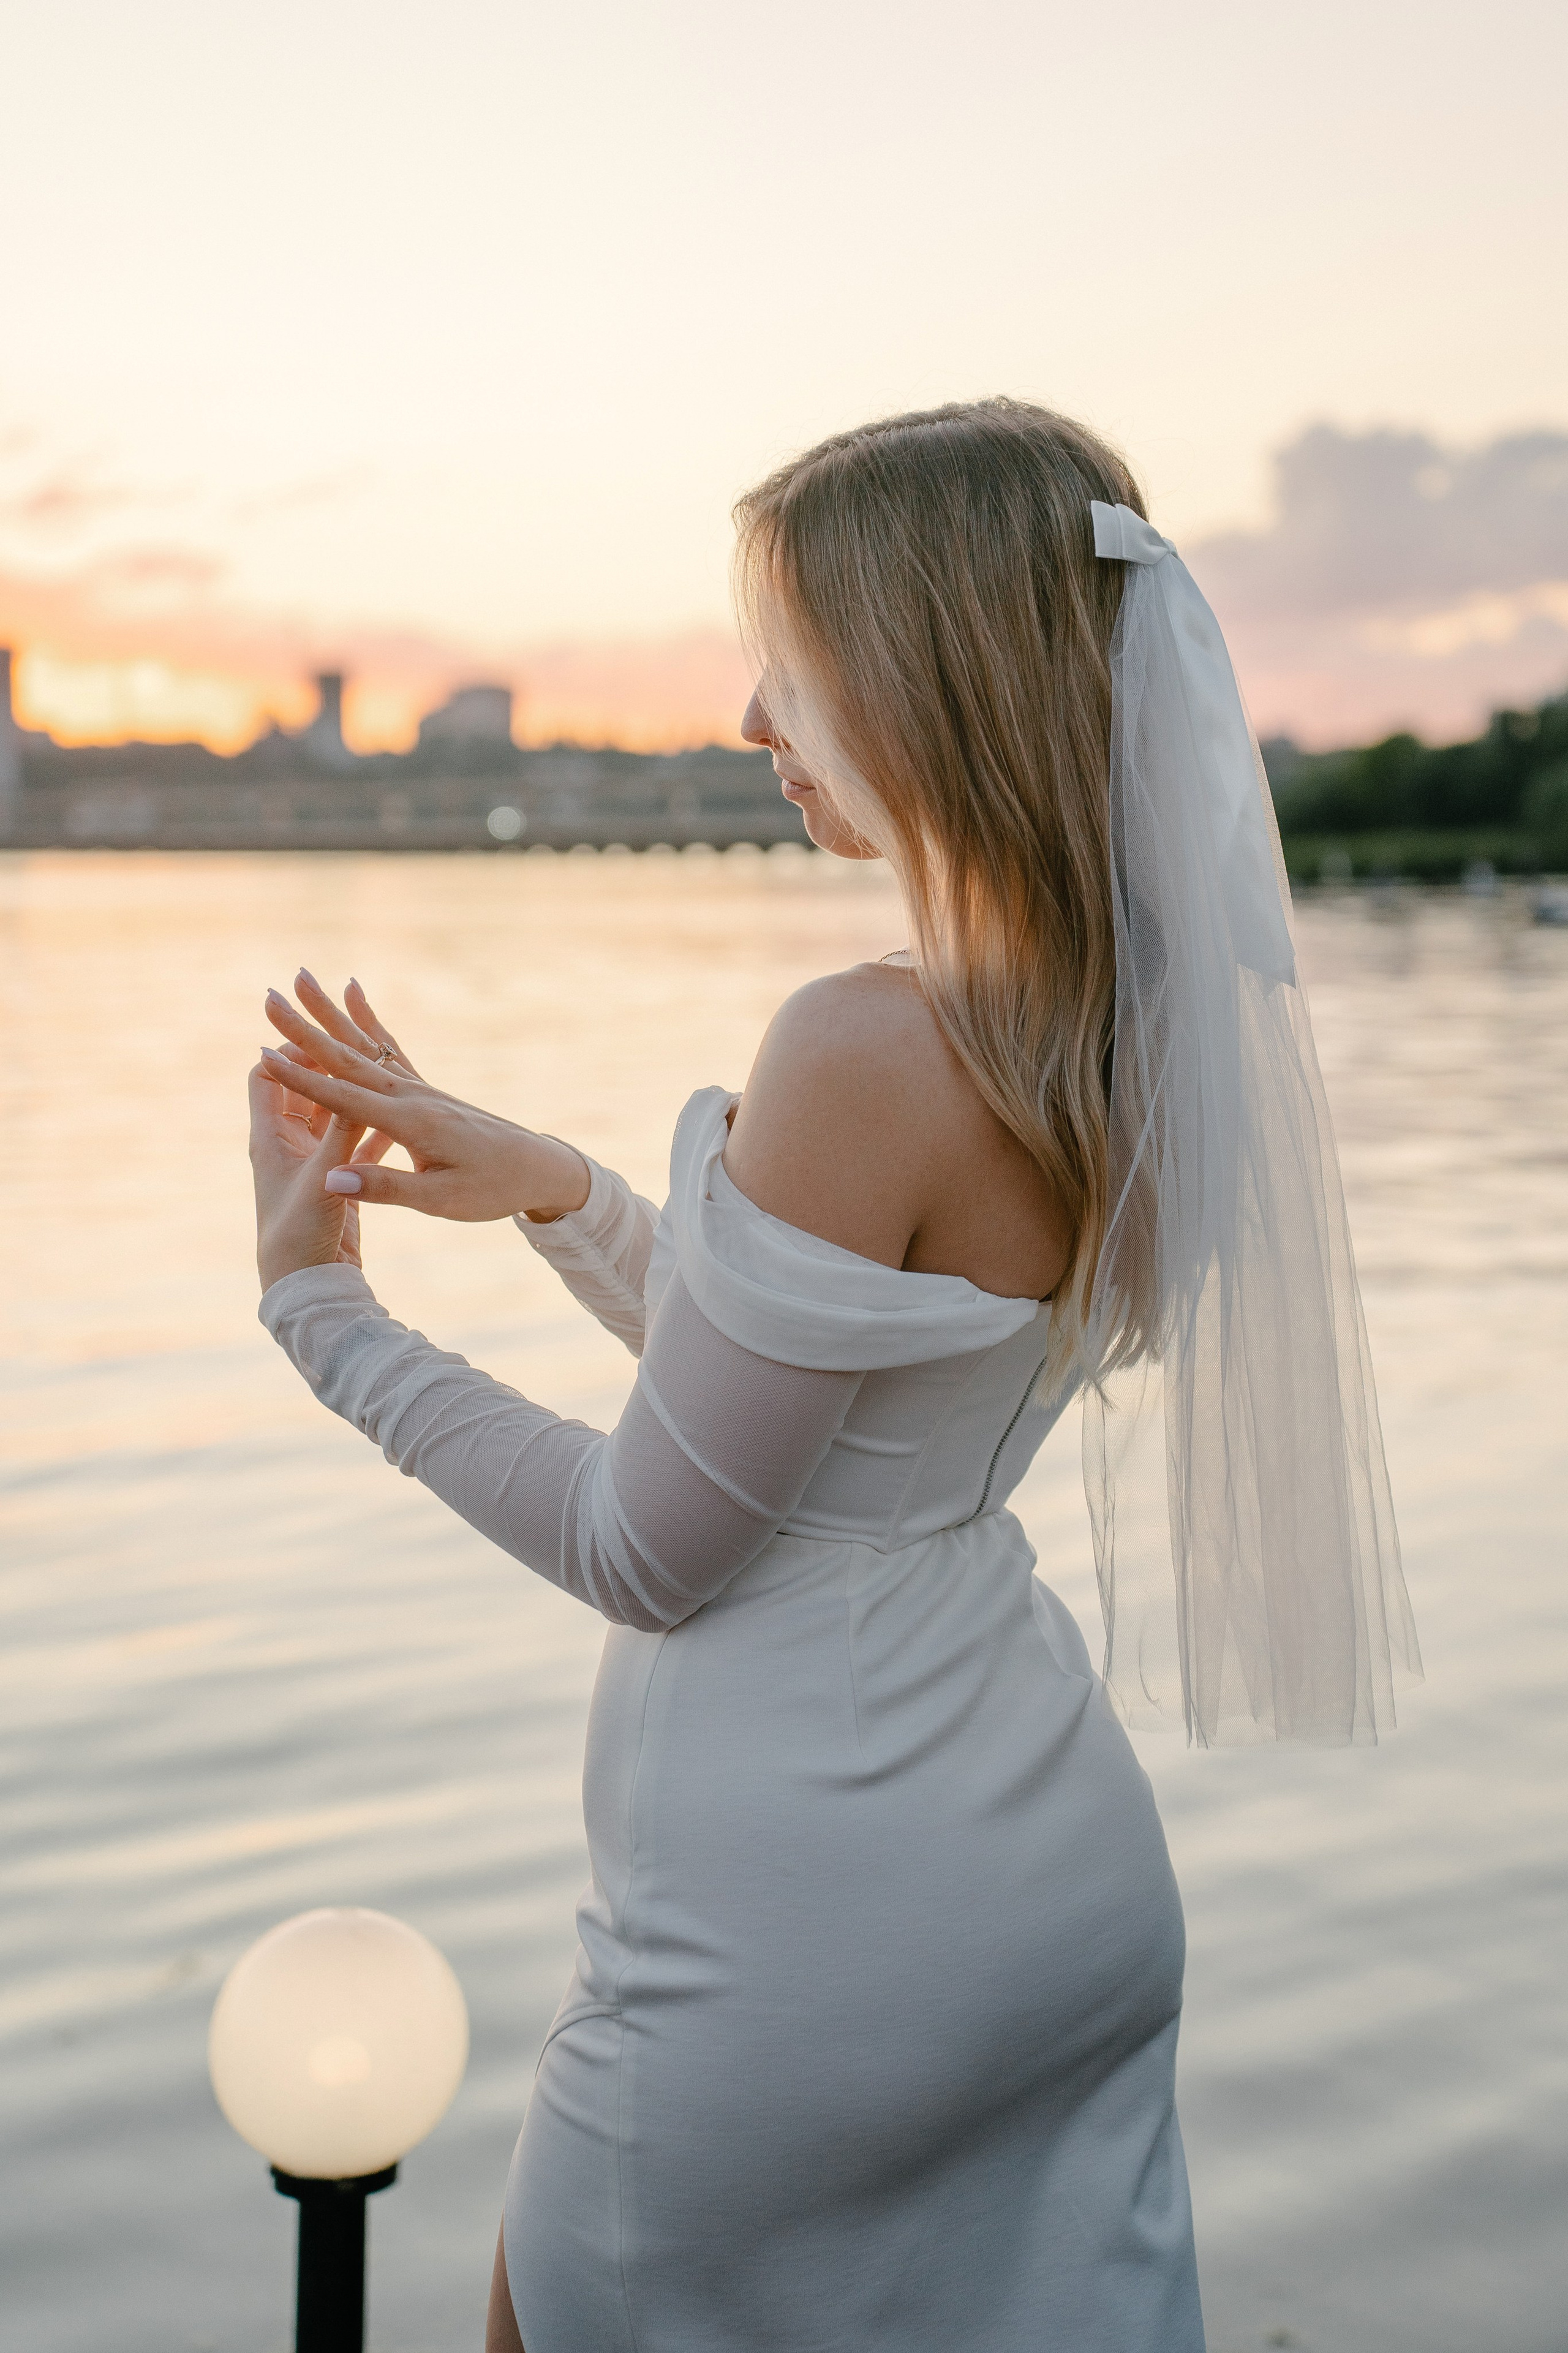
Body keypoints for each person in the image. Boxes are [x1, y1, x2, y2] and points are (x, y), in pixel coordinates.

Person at [249, 400, 1415, 2352]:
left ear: (918, 677)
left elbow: (655, 1540)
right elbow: (854, 1420)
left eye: (790, 663)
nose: (750, 716)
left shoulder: (864, 1048)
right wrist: (561, 1192)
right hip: (1042, 1891)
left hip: (800, 1938)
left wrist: (322, 1314)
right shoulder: (1118, 1032)